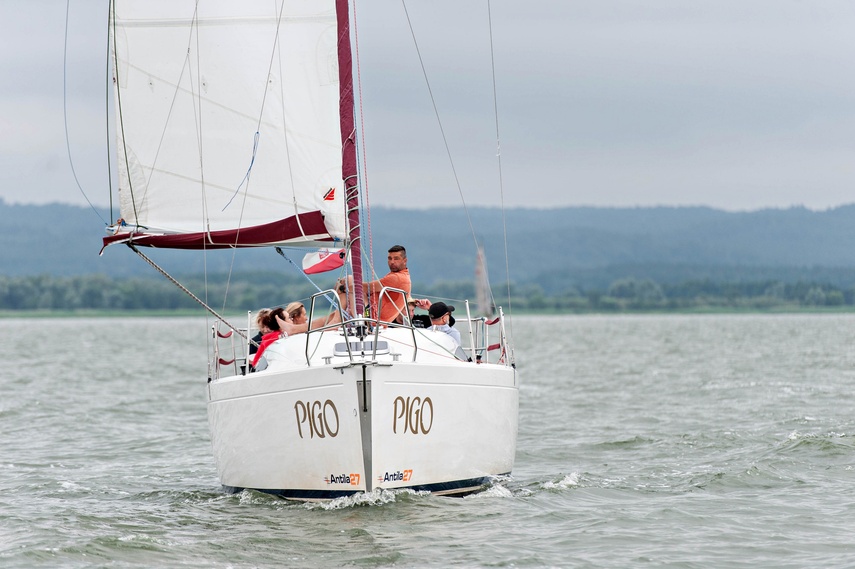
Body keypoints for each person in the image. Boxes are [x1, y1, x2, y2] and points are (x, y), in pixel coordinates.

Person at [363, 245, 411, 324]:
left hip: (371, 319)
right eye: (390, 258)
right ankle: (335, 321)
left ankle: (335, 322)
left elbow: (364, 287)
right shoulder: (404, 277)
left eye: (396, 258)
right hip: (373, 316)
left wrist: (344, 286)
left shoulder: (396, 278)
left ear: (405, 261)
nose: (392, 262)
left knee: (350, 281)